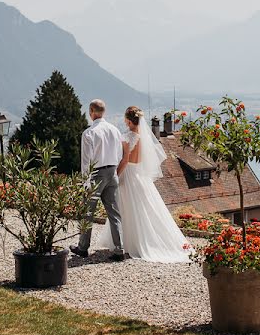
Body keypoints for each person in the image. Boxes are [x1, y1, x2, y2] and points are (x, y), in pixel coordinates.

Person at [95, 105, 189, 263]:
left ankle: (129, 242)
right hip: (139, 175)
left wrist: (116, 175)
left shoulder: (127, 137)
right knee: (144, 206)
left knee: (124, 207)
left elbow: (124, 160)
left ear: (128, 120)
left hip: (128, 174)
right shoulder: (143, 137)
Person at [70, 99, 125, 261]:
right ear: (104, 112)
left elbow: (86, 161)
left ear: (91, 112)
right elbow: (120, 154)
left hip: (96, 175)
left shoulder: (89, 133)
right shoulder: (115, 130)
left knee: (88, 212)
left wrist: (85, 182)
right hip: (112, 172)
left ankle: (83, 248)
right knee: (114, 213)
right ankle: (119, 250)